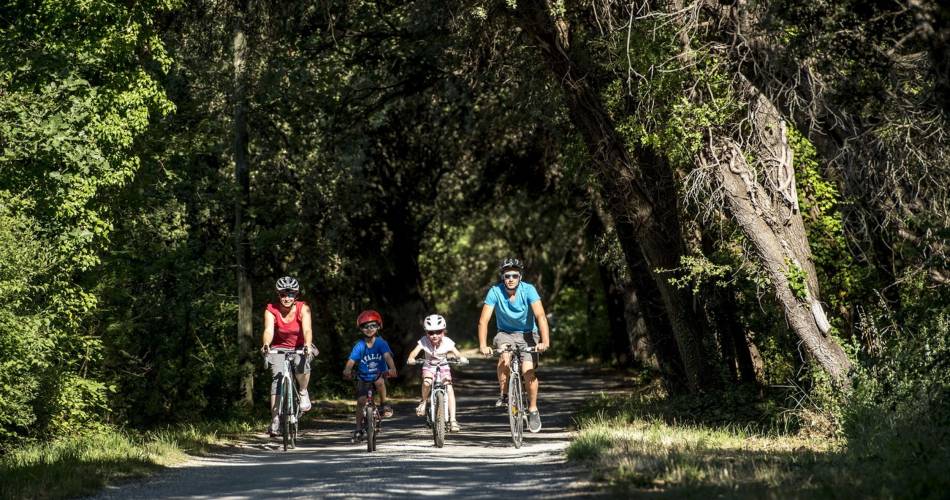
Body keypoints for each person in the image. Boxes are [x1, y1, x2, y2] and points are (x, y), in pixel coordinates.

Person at [477, 258, 550, 433]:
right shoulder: (495, 291)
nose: (510, 278)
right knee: (504, 355)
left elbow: (540, 316)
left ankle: (532, 409)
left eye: (514, 275)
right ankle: (504, 394)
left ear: (520, 277)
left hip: (528, 334)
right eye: (507, 275)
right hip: (505, 333)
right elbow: (483, 320)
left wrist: (544, 341)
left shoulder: (529, 290)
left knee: (528, 371)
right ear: (502, 277)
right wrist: (482, 345)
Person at [261, 276, 316, 437]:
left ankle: (303, 391)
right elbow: (269, 330)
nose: (287, 298)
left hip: (300, 346)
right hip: (278, 348)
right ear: (278, 295)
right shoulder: (271, 309)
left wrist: (307, 345)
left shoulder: (303, 308)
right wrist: (266, 344)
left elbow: (307, 330)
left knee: (302, 364)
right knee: (277, 379)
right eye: (283, 294)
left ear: (296, 295)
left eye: (291, 294)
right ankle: (275, 420)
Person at [406, 314, 469, 432]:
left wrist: (461, 358)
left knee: (449, 387)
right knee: (426, 382)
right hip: (429, 366)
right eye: (431, 333)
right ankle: (424, 402)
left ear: (443, 331)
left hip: (444, 366)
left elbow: (457, 353)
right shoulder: (423, 341)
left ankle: (453, 420)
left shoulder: (447, 341)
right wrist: (411, 358)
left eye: (438, 332)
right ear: (426, 333)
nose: (434, 335)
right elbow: (414, 352)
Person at [343, 309, 398, 442]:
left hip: (379, 374)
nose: (369, 329)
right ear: (361, 329)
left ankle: (384, 403)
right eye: (365, 326)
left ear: (379, 326)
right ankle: (357, 429)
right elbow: (352, 360)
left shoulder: (381, 343)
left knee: (379, 382)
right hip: (363, 376)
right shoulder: (360, 345)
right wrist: (347, 370)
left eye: (373, 325)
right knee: (361, 402)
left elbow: (387, 356)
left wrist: (392, 368)